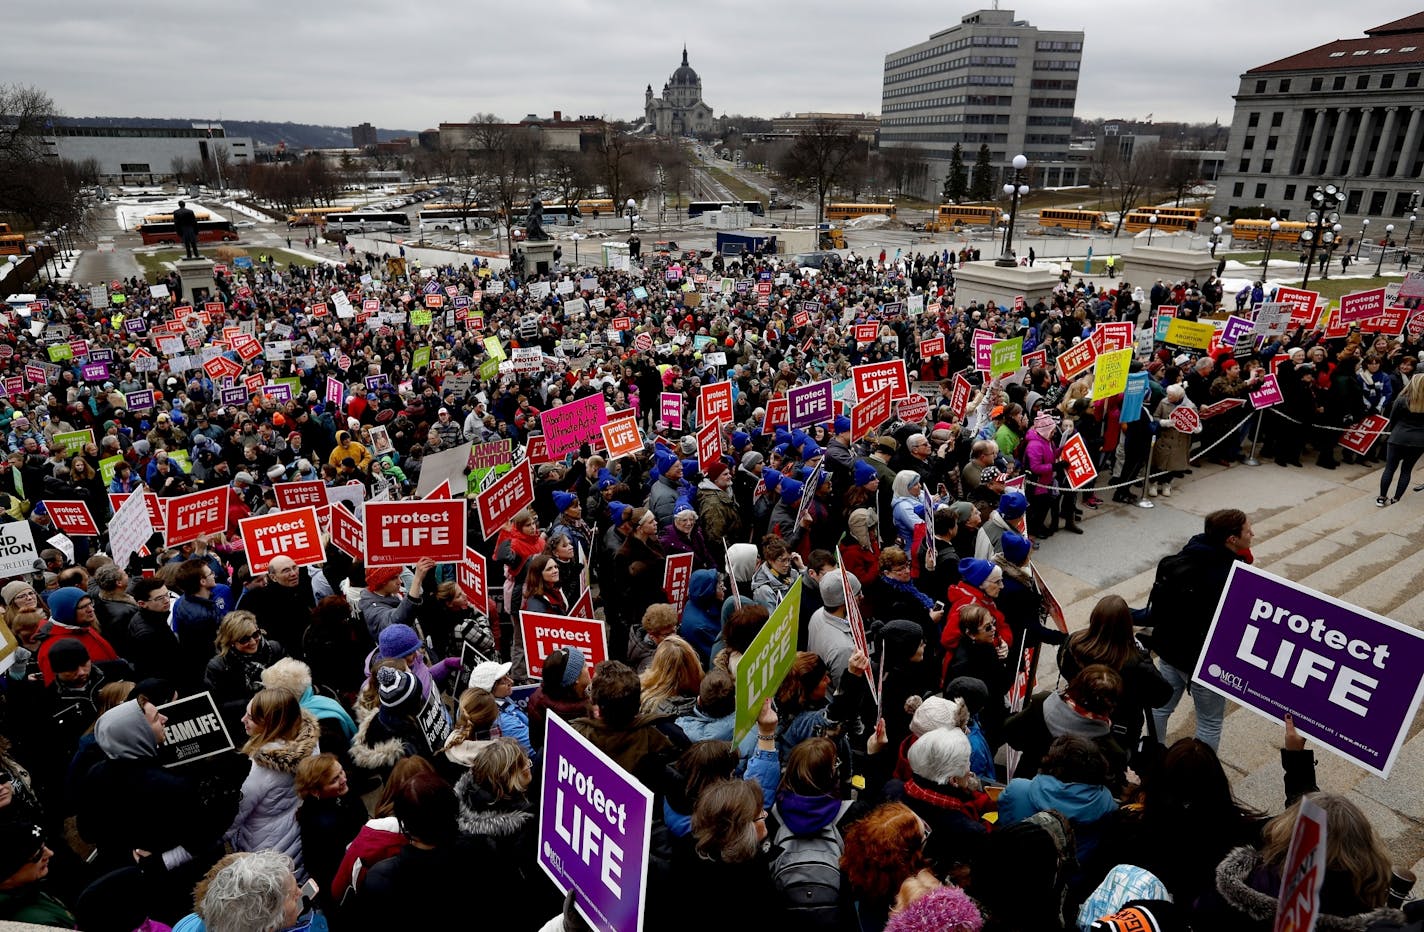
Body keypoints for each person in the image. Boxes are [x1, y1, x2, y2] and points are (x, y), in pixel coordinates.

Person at [1149, 509, 1254, 750]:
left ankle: (1153, 756)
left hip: (1170, 650)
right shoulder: (1230, 575)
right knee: (1209, 723)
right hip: (1205, 663)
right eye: (1248, 531)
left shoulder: (1188, 554)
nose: (1253, 534)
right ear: (1232, 539)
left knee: (1161, 708)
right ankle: (1199, 776)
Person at [226, 688, 320, 876]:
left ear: (271, 724)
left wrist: (169, 858)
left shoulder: (258, 772)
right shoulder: (309, 744)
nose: (243, 720)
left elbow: (227, 823)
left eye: (251, 717)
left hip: (264, 856)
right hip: (295, 846)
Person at [293, 753, 366, 913]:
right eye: (334, 780)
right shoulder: (321, 823)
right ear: (315, 791)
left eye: (341, 772)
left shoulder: (340, 794)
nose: (343, 779)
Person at [1379, 372, 1424, 505]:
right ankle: (1396, 498)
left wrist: (1389, 434)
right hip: (1420, 441)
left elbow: (1392, 420)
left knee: (1389, 468)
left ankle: (1382, 497)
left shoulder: (1402, 400)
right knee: (1406, 470)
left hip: (1398, 437)